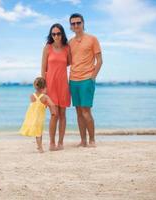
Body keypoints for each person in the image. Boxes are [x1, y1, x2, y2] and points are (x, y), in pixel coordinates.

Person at [68, 13, 103, 147]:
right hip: (73, 80)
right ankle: (83, 141)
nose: (76, 25)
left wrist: (92, 77)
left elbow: (99, 61)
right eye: (73, 23)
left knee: (86, 112)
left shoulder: (92, 39)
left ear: (83, 23)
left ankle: (92, 140)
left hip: (86, 80)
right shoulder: (70, 42)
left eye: (78, 23)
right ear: (71, 26)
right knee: (78, 112)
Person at [41, 23, 71, 151]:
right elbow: (43, 67)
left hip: (63, 84)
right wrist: (43, 87)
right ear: (51, 35)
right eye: (53, 34)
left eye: (58, 33)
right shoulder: (47, 47)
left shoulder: (66, 48)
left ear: (62, 34)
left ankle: (61, 143)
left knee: (63, 114)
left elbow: (69, 62)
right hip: (50, 85)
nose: (56, 36)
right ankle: (52, 143)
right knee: (54, 114)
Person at [20, 77, 57, 153]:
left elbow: (35, 104)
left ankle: (39, 146)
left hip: (32, 116)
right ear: (44, 87)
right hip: (39, 117)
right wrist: (53, 112)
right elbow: (52, 105)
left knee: (37, 132)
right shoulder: (45, 97)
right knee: (39, 133)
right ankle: (40, 148)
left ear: (35, 86)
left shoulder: (32, 96)